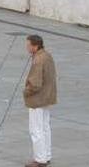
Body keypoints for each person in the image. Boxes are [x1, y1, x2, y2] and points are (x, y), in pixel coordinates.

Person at [24, 34, 57, 167]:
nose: (27, 47)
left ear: (35, 46)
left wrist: (26, 91)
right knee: (45, 127)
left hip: (37, 99)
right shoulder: (47, 55)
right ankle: (46, 155)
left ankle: (40, 159)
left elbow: (35, 83)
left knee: (36, 129)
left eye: (28, 45)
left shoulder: (38, 60)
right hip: (46, 96)